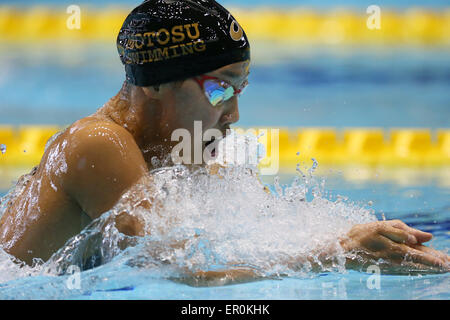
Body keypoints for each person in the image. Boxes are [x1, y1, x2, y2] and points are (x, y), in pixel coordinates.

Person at [0, 0, 448, 285]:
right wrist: (335, 256)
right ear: (155, 84)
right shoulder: (97, 143)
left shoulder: (175, 151)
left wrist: (356, 238)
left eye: (240, 89)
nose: (233, 114)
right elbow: (185, 276)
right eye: (220, 90)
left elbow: (266, 229)